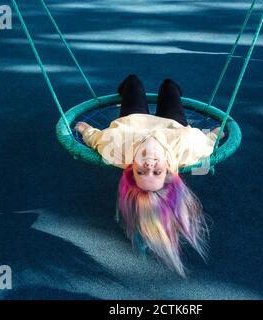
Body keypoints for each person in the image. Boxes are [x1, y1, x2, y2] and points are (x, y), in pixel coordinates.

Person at [75, 74, 225, 276]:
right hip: (172, 126)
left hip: (133, 122)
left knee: (134, 82)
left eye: (141, 171)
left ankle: (128, 88)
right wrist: (216, 134)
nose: (149, 164)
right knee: (169, 86)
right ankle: (171, 89)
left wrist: (85, 130)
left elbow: (95, 139)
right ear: (169, 170)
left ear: (131, 169)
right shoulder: (187, 148)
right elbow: (208, 142)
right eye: (157, 171)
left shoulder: (115, 147)